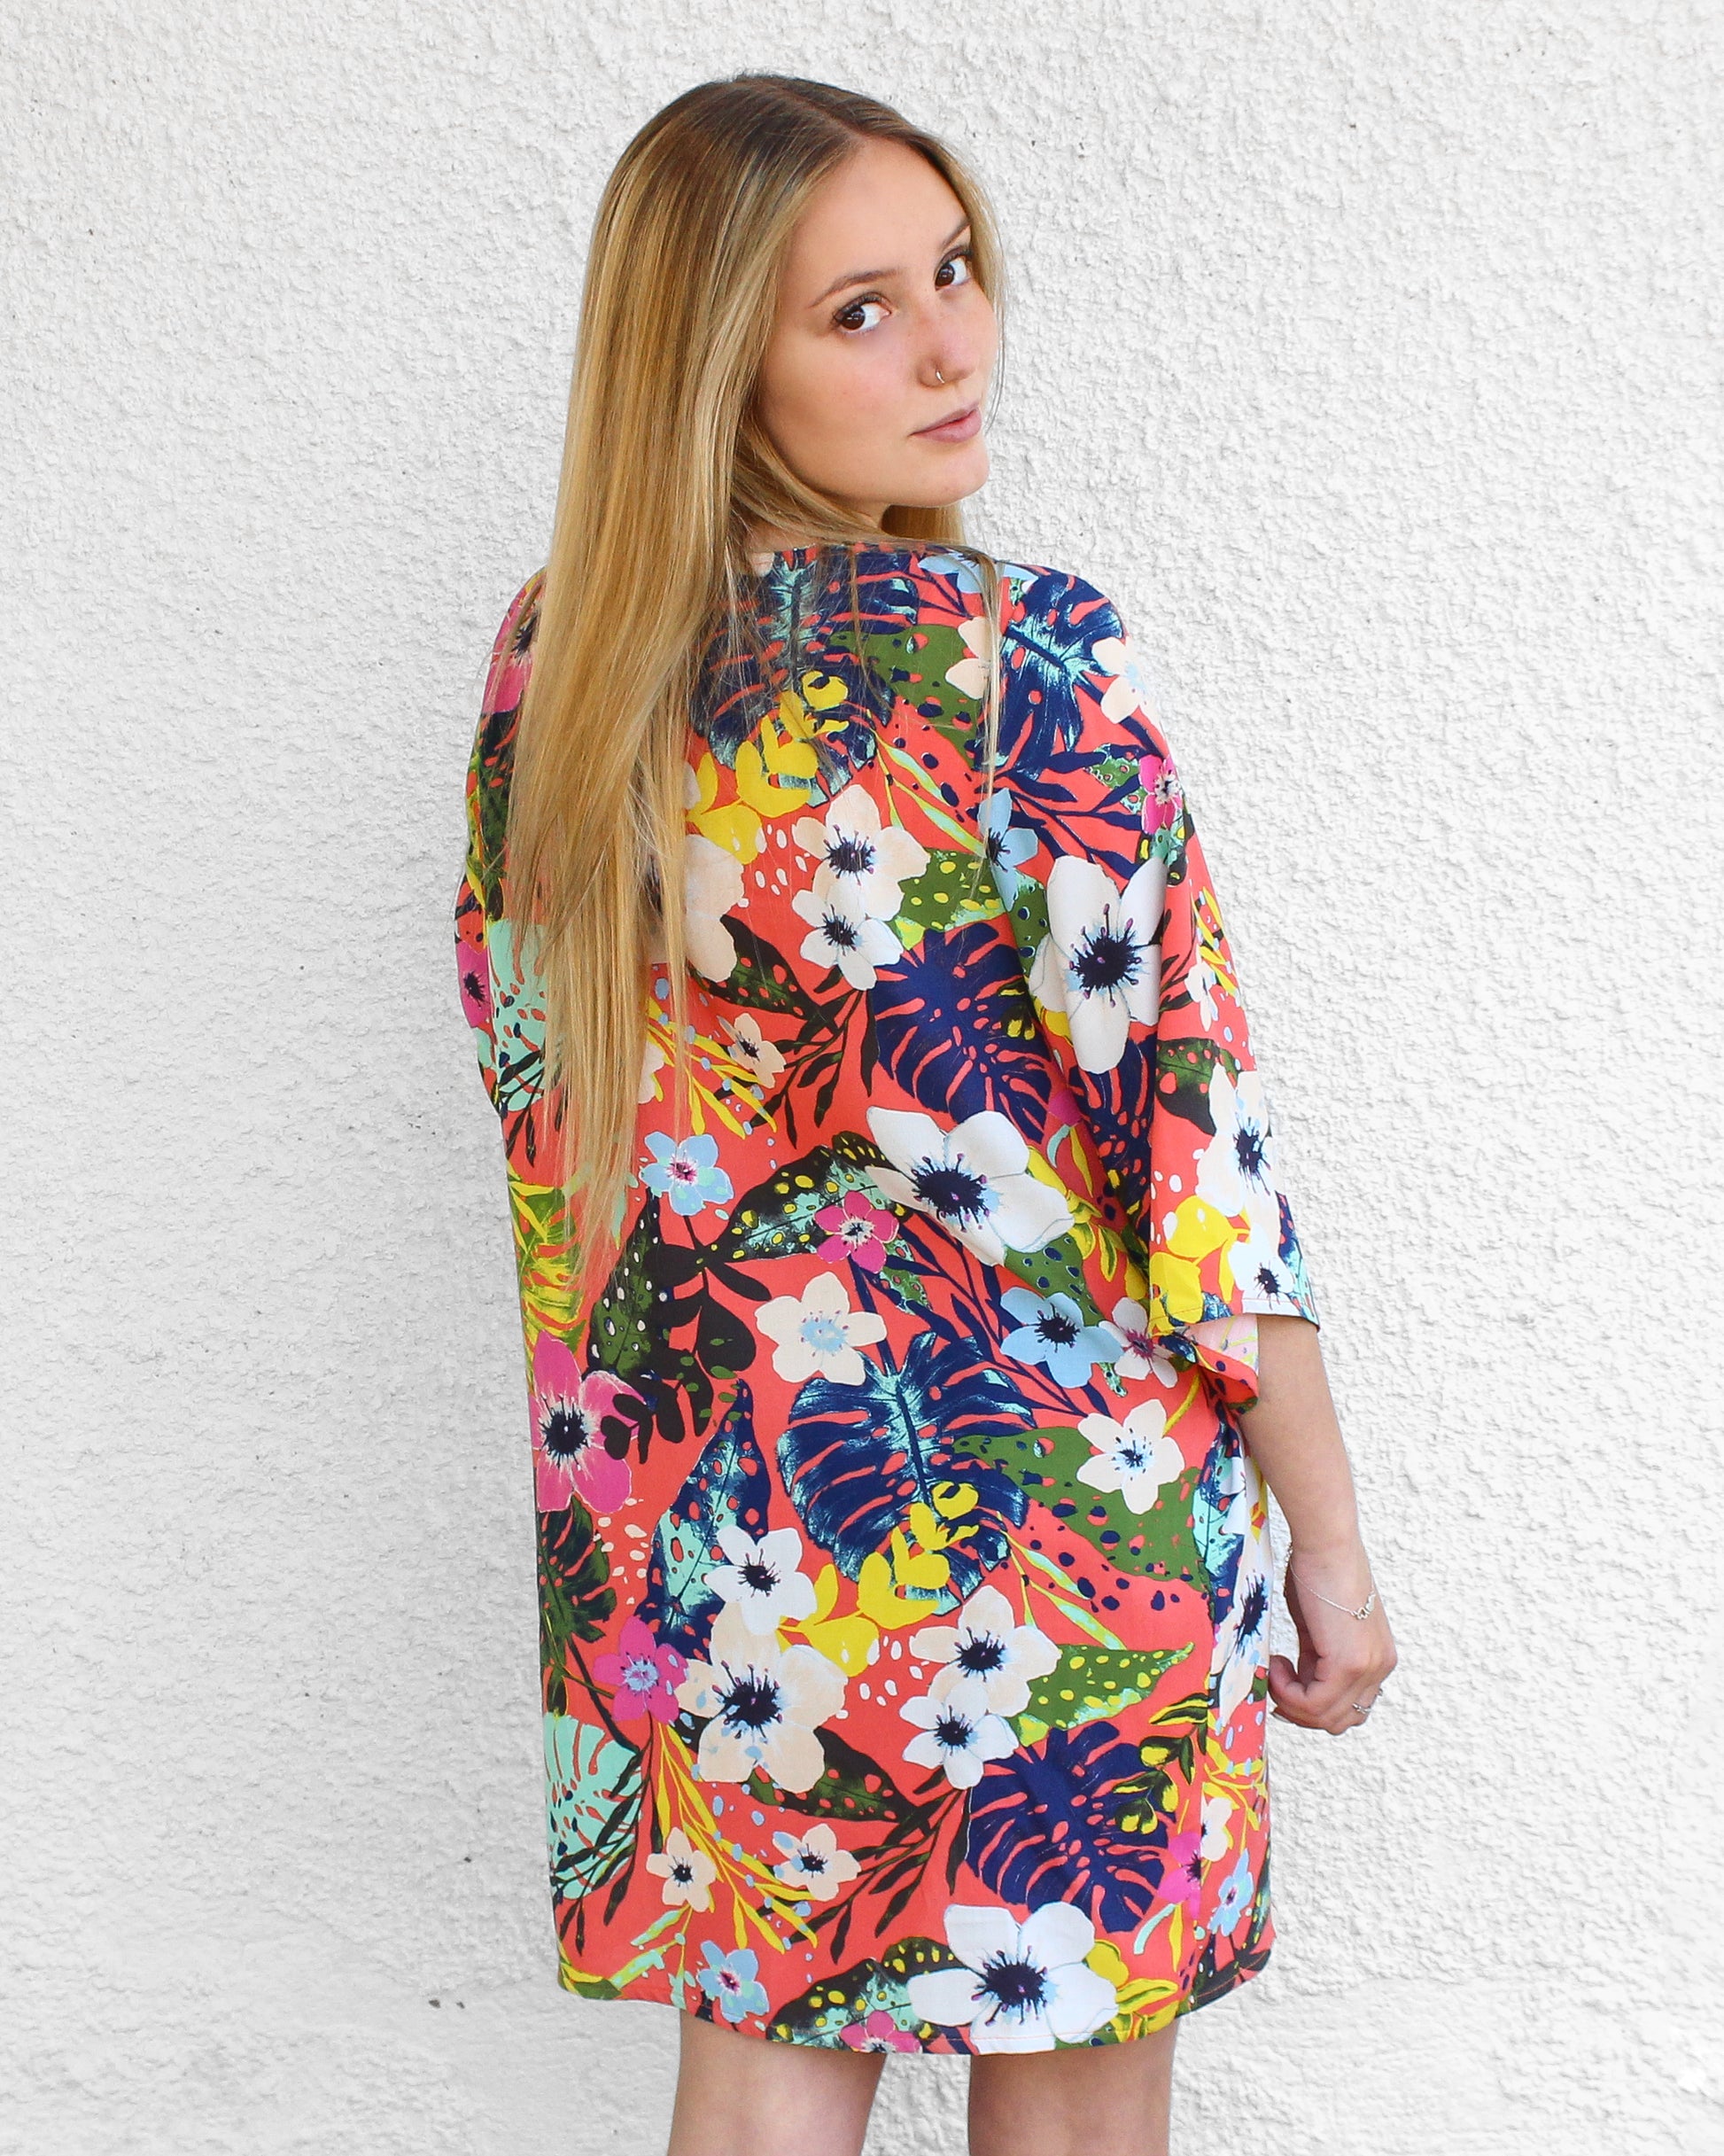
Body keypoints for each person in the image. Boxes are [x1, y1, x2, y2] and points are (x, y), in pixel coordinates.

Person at [454, 72, 1396, 2156]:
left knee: (759, 2099)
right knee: (1069, 2121)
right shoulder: (1024, 661)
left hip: (735, 1541)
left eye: (952, 272)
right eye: (860, 311)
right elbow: (1198, 1160)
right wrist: (1328, 1548)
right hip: (1067, 1544)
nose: (952, 345)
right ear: (719, 366)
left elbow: (551, 1124)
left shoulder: (562, 678)